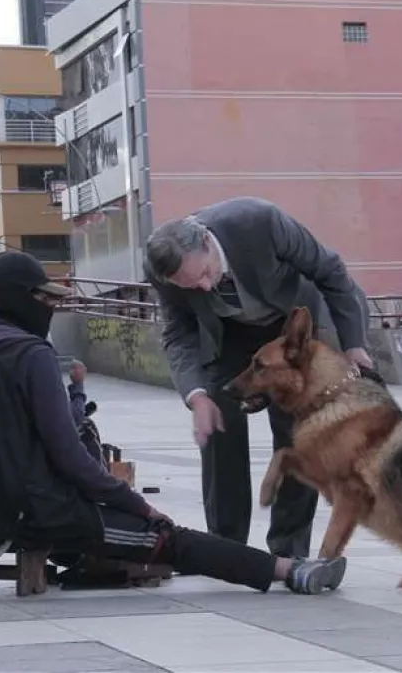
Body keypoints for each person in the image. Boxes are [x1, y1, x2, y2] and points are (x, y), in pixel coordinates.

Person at [0, 250, 347, 595]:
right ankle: (292, 570)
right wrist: (137, 505)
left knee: (116, 532)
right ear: (18, 300)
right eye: (42, 299)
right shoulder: (28, 353)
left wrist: (72, 394)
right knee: (167, 536)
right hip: (13, 515)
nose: (49, 308)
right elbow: (70, 457)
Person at [144, 196, 375, 559]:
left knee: (298, 436)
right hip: (229, 335)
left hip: (291, 330)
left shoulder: (259, 223)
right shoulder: (163, 267)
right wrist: (197, 397)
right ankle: (225, 548)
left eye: (205, 274)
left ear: (206, 241)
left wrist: (353, 345)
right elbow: (177, 334)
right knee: (218, 426)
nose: (204, 288)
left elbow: (330, 272)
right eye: (191, 285)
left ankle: (288, 549)